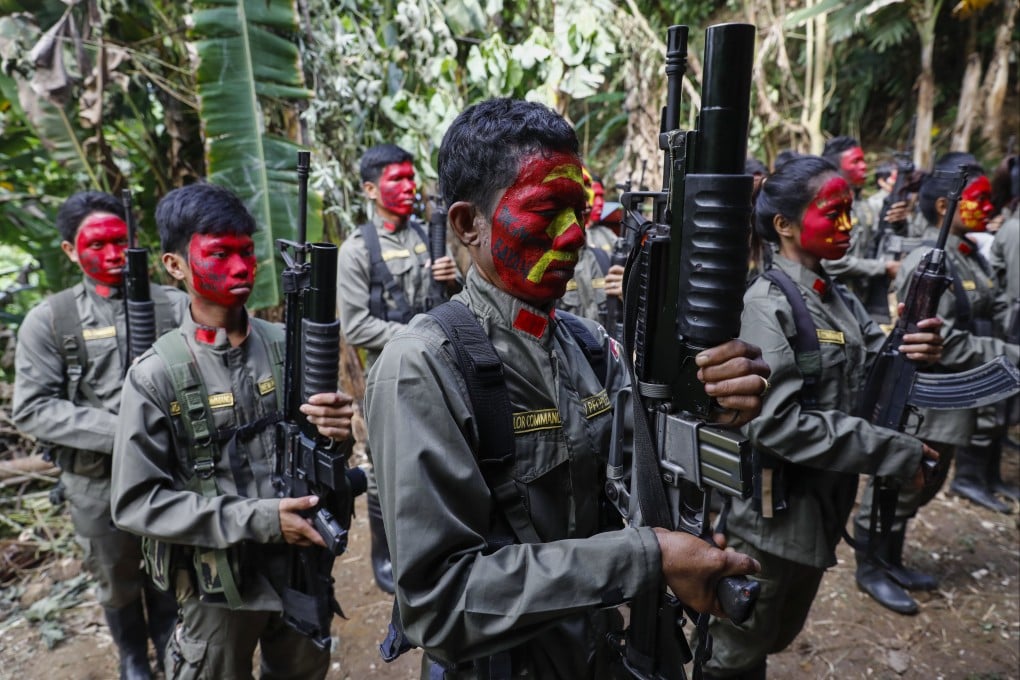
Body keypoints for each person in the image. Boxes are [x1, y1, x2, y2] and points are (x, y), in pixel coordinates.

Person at [364, 97, 768, 679]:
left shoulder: (583, 343)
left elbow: (636, 477)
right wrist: (645, 558)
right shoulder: (422, 365)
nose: (575, 234)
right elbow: (439, 604)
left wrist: (709, 418)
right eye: (545, 210)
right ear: (467, 223)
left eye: (579, 211)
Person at [705, 155, 943, 678]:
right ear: (784, 226)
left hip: (818, 511)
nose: (847, 225)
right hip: (771, 519)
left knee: (769, 639)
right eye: (832, 213)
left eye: (850, 212)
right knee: (735, 652)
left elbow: (872, 375)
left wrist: (919, 347)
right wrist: (892, 452)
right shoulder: (768, 305)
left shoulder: (836, 296)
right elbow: (775, 424)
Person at [109, 183, 357, 679]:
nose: (242, 267)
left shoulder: (288, 346)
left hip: (300, 565)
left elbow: (321, 448)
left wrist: (337, 434)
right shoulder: (156, 373)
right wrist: (262, 519)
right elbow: (136, 501)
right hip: (216, 583)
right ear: (174, 266)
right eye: (219, 254)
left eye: (247, 252)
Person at [13, 190, 188, 680]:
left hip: (170, 472)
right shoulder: (51, 320)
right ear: (70, 251)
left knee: (172, 570)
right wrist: (124, 431)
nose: (113, 255)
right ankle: (133, 657)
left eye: (121, 241)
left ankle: (173, 651)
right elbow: (32, 408)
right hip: (96, 481)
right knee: (116, 577)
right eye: (97, 245)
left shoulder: (173, 305)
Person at [852, 152, 1020, 616]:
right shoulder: (929, 260)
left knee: (921, 486)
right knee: (897, 484)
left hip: (951, 405)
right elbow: (937, 342)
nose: (988, 207)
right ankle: (869, 569)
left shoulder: (967, 254)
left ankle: (891, 559)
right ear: (945, 208)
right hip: (922, 401)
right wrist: (1011, 358)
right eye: (977, 199)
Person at [336, 143, 462, 593]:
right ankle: (384, 555)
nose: (409, 187)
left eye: (412, 178)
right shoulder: (356, 250)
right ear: (370, 189)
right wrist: (418, 338)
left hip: (444, 370)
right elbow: (355, 325)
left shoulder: (432, 235)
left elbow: (463, 302)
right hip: (388, 376)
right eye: (396, 180)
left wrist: (454, 280)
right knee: (382, 467)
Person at [821, 136, 901, 323]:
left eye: (863, 160)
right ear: (837, 167)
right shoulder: (825, 207)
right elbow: (829, 262)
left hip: (862, 300)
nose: (864, 166)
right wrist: (881, 267)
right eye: (855, 161)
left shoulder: (864, 207)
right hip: (834, 301)